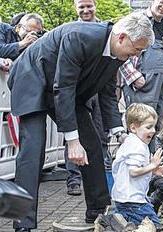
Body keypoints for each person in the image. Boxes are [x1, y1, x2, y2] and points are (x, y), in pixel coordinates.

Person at [7, 12, 154, 231]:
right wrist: (72, 141)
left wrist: (119, 132)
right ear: (122, 37)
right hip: (33, 79)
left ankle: (99, 211)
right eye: (137, 49)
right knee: (32, 150)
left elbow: (107, 93)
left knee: (92, 144)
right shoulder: (80, 36)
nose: (137, 55)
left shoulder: (117, 54)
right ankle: (22, 224)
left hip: (65, 90)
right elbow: (63, 85)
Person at [119, 0, 163, 144]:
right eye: (162, 2)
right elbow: (118, 48)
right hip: (143, 83)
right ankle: (135, 162)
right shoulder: (137, 19)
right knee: (140, 124)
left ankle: (152, 161)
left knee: (158, 125)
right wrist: (133, 76)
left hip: (162, 82)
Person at [63, 0, 105, 196]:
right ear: (75, 8)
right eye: (81, 6)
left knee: (98, 133)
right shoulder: (70, 31)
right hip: (77, 91)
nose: (86, 10)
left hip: (99, 90)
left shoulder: (105, 29)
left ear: (95, 5)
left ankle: (98, 179)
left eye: (89, 6)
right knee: (72, 133)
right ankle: (74, 179)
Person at [111, 103, 163, 228]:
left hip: (127, 198)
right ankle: (113, 222)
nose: (153, 130)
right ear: (134, 128)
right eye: (148, 127)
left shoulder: (134, 142)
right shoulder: (137, 146)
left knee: (133, 222)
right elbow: (133, 171)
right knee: (154, 226)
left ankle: (117, 220)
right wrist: (153, 165)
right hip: (132, 200)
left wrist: (153, 171)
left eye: (154, 127)